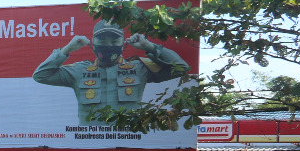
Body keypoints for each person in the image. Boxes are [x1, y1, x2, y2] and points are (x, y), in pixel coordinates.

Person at [33, 21, 190, 124]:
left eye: (114, 41)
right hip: (89, 145)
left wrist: (149, 46)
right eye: (102, 41)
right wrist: (67, 49)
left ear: (123, 43)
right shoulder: (79, 70)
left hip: (130, 144)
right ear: (93, 43)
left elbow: (181, 68)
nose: (108, 46)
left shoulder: (139, 68)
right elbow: (41, 75)